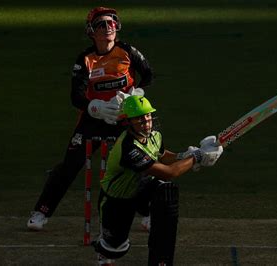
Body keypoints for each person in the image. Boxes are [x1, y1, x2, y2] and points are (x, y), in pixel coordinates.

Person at [27, 6, 153, 230]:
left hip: (123, 118)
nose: (108, 28)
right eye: (101, 25)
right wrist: (96, 107)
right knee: (70, 164)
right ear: (91, 31)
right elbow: (76, 96)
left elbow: (148, 75)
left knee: (136, 163)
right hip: (93, 118)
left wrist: (135, 94)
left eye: (111, 23)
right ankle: (41, 212)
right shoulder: (85, 59)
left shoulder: (127, 51)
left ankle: (147, 213)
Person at [92, 96, 223, 265]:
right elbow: (168, 172)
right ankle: (103, 246)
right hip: (116, 201)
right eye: (140, 118)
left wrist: (184, 156)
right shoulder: (128, 148)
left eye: (148, 116)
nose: (146, 121)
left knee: (165, 190)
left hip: (140, 189)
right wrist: (197, 157)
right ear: (127, 122)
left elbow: (163, 156)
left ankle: (155, 238)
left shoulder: (154, 136)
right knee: (116, 250)